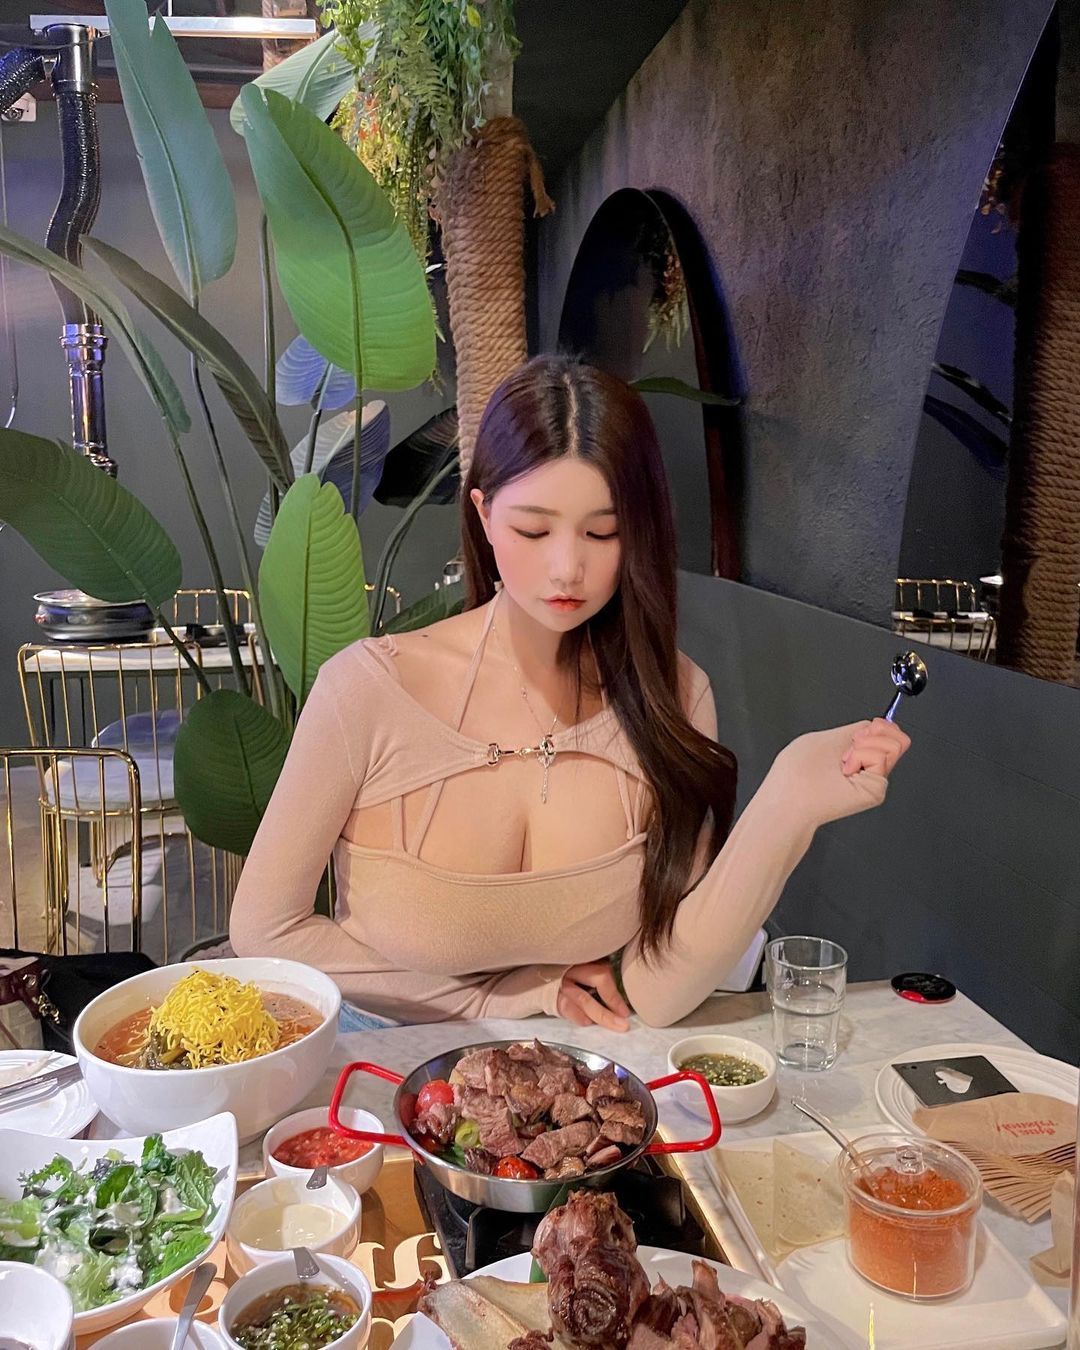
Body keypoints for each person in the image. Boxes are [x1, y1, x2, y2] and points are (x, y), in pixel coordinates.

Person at [230, 355, 909, 1030]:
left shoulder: (671, 697)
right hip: (384, 1063)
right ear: (483, 514)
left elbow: (658, 991)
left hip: (585, 1064)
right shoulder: (369, 690)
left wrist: (789, 802)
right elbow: (269, 931)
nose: (567, 568)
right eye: (533, 530)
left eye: (603, 532)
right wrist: (501, 998)